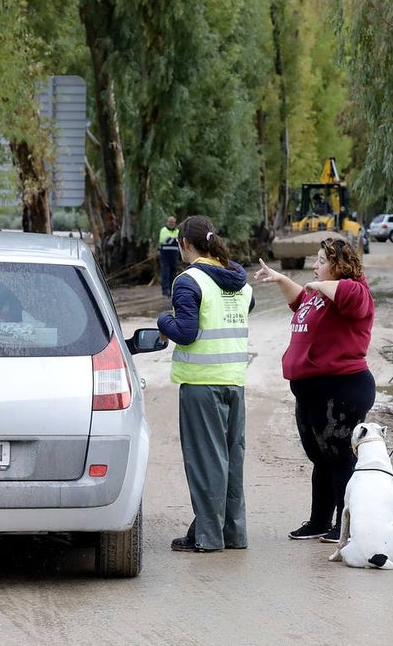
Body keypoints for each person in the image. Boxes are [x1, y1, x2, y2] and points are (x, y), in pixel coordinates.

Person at [253, 237, 375, 543]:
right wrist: (282, 279)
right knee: (321, 458)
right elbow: (300, 299)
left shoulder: (356, 290)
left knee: (340, 458)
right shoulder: (320, 295)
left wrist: (318, 285)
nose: (315, 266)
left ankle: (345, 525)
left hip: (341, 387)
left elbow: (347, 292)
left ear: (338, 265)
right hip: (311, 389)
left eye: (321, 261)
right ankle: (319, 521)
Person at [157, 216, 254, 553]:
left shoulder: (189, 281)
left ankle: (208, 537)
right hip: (234, 382)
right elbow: (245, 309)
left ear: (184, 242)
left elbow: (184, 332)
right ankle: (233, 533)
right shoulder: (240, 281)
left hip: (201, 385)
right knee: (232, 457)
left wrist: (161, 320)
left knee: (206, 460)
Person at [158, 215, 180, 297]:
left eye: (173, 222)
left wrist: (173, 240)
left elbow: (178, 241)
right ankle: (165, 290)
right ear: (167, 222)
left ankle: (172, 289)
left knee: (173, 272)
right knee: (165, 272)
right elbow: (164, 239)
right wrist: (174, 240)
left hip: (174, 255)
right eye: (170, 222)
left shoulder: (177, 231)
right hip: (165, 254)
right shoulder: (163, 230)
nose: (171, 224)